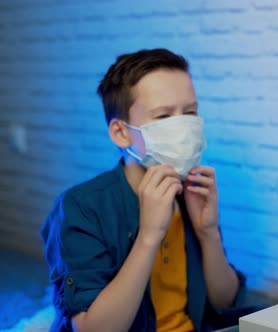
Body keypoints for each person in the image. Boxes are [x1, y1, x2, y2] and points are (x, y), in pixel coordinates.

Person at [41, 48, 249, 332]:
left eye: (190, 113)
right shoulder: (82, 207)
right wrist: (149, 236)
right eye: (163, 116)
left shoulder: (189, 192)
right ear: (121, 132)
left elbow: (224, 302)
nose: (183, 127)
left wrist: (208, 232)